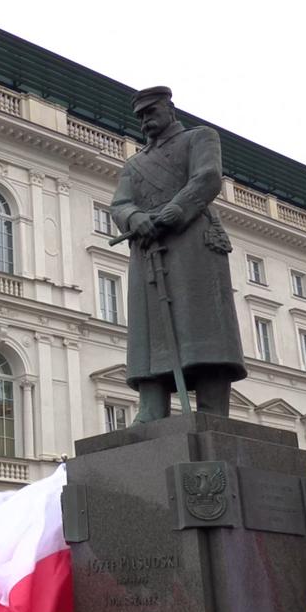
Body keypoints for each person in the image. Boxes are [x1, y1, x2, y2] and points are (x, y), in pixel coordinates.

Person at [109, 85, 246, 423]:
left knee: (203, 326)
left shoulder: (199, 138)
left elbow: (207, 177)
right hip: (148, 249)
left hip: (190, 244)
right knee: (149, 330)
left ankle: (213, 412)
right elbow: (120, 204)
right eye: (140, 116)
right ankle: (151, 405)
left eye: (150, 112)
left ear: (169, 108)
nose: (145, 121)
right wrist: (136, 218)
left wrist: (174, 211)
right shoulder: (134, 164)